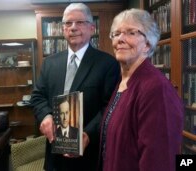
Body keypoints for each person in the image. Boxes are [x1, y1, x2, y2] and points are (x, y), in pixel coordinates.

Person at [30, 3, 120, 171]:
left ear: (92, 28)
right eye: (68, 23)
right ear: (63, 29)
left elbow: (109, 106)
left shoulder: (107, 63)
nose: (73, 28)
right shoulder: (50, 63)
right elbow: (37, 97)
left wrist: (88, 134)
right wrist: (45, 116)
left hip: (89, 154)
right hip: (54, 154)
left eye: (80, 22)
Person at [99, 8, 184, 171]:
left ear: (147, 44)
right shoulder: (123, 82)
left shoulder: (156, 89)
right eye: (116, 34)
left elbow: (159, 161)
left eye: (131, 32)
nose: (120, 39)